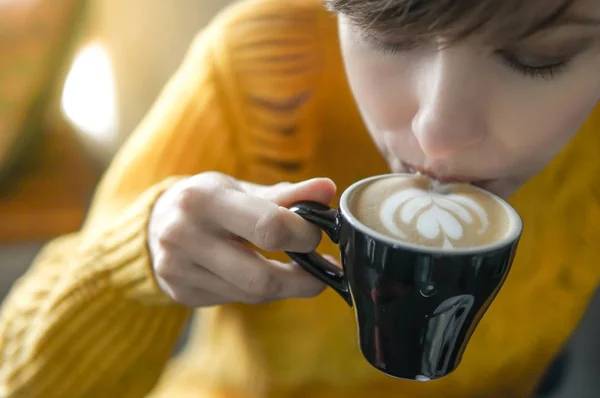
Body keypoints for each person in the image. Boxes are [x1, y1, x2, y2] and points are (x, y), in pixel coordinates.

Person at [1, 0, 600, 396]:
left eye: (537, 58)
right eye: (387, 31)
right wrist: (135, 263)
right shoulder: (258, 74)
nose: (436, 135)